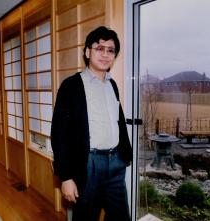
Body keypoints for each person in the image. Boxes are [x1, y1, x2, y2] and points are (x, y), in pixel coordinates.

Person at [51, 26, 132, 221]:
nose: (105, 54)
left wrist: (124, 154)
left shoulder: (112, 85)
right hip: (88, 165)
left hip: (115, 164)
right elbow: (59, 134)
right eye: (99, 48)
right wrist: (66, 177)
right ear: (87, 52)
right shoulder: (71, 86)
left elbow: (118, 121)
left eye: (110, 50)